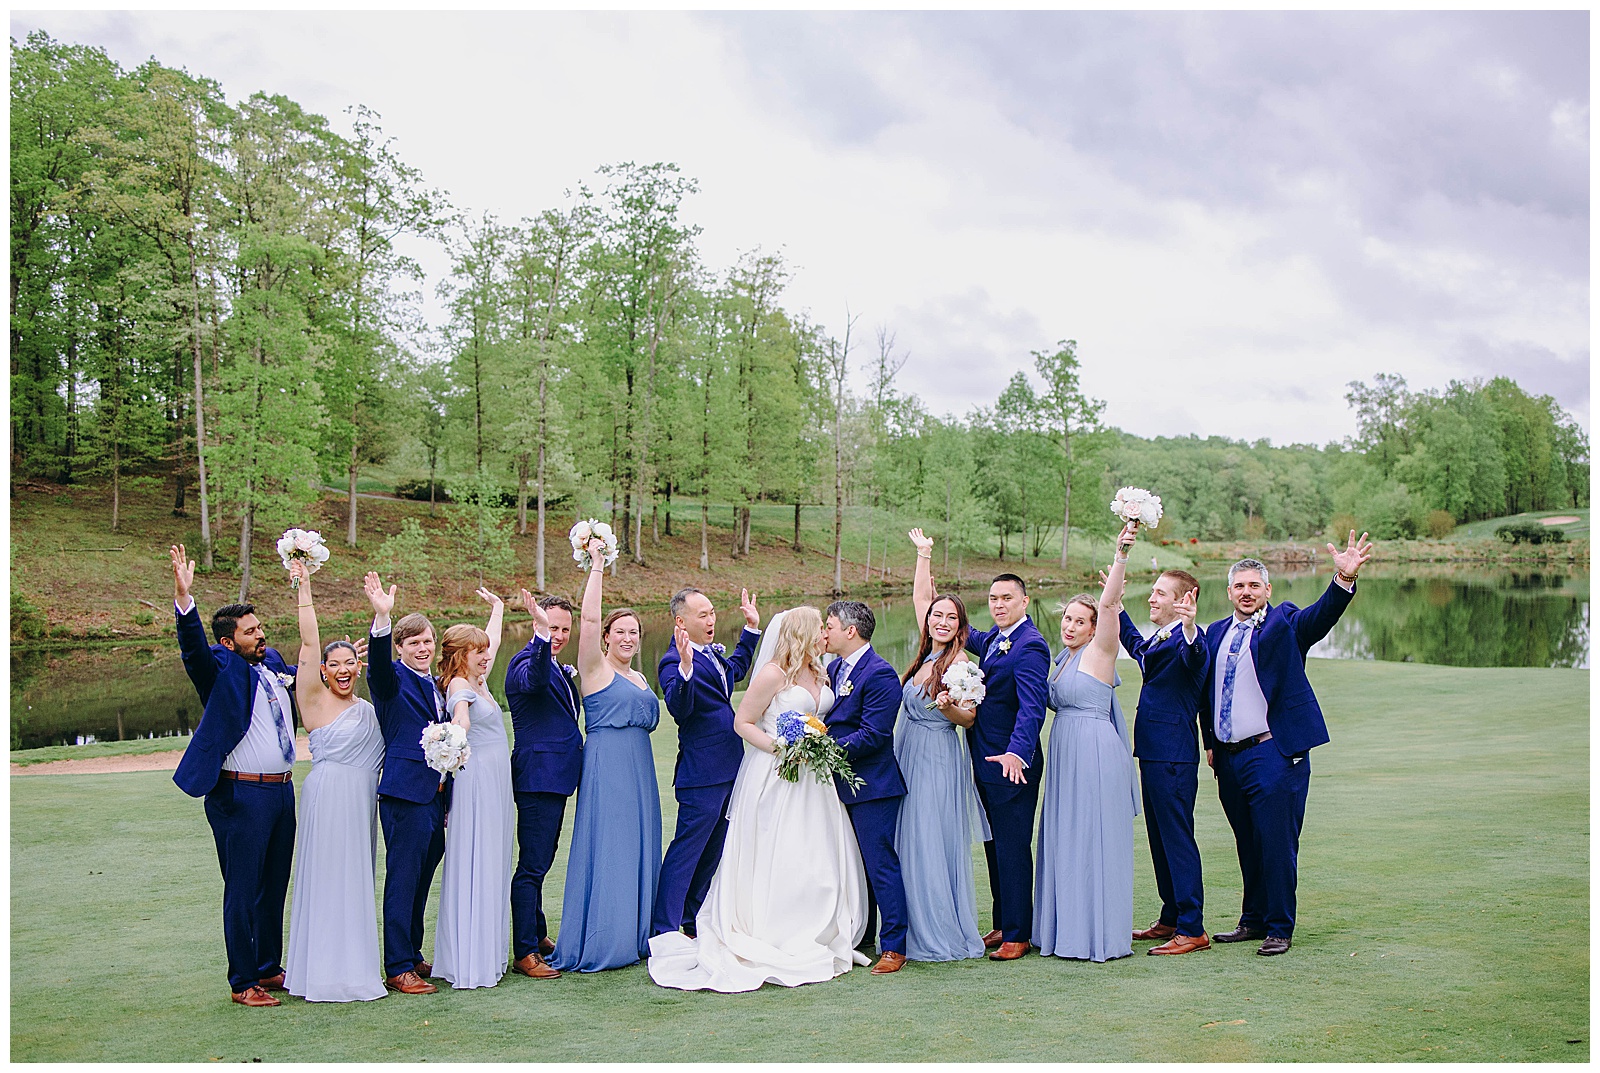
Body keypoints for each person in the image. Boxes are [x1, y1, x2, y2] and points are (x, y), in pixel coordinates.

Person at [647, 606, 869, 992]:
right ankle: (773, 927)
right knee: (777, 851)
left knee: (814, 852)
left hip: (814, 781)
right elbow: (743, 722)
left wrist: (816, 744)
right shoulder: (772, 674)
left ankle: (817, 925)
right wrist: (781, 748)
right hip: (778, 775)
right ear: (801, 632)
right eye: (819, 627)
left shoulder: (821, 669)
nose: (824, 633)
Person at [1201, 531, 1374, 956]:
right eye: (1239, 586)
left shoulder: (1284, 622)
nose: (1246, 592)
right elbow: (1207, 690)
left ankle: (1280, 926)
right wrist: (1210, 742)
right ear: (1228, 592)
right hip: (1228, 757)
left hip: (1273, 752)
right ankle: (1254, 919)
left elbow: (1320, 617)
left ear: (1267, 590)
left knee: (1276, 840)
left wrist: (1342, 580)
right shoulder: (1214, 632)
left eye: (1254, 586)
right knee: (1247, 840)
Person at [169, 544, 299, 1007]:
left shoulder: (276, 663)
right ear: (229, 641)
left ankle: (267, 966)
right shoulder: (221, 666)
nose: (260, 635)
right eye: (250, 631)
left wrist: (338, 663)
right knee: (243, 888)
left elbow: (308, 682)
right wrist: (186, 603)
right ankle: (242, 981)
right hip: (239, 794)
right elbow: (192, 653)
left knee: (275, 883)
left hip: (283, 793)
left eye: (260, 627)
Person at [550, 538, 662, 972]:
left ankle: (638, 934)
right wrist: (597, 566)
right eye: (621, 632)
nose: (629, 638)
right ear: (607, 638)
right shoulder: (596, 670)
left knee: (639, 842)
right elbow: (591, 617)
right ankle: (606, 939)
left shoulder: (638, 676)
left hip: (640, 769)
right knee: (612, 845)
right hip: (608, 766)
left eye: (634, 632)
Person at [1033, 522, 1140, 962]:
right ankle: (1063, 929)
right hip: (1065, 752)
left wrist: (1121, 555)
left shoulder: (1100, 652)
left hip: (1094, 750)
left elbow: (1111, 602)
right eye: (1068, 618)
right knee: (1064, 836)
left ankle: (1095, 934)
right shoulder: (1061, 659)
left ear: (1096, 627)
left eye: (1081, 620)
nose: (1071, 626)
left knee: (1092, 836)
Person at [282, 560, 385, 1002]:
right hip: (328, 797)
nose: (342, 670)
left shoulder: (369, 708)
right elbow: (308, 640)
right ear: (323, 669)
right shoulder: (313, 699)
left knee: (358, 878)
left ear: (358, 667)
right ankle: (320, 971)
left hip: (363, 799)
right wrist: (304, 588)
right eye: (334, 664)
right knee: (328, 878)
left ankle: (357, 964)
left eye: (350, 663)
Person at [896, 528, 989, 962]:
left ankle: (937, 931)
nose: (941, 621)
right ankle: (909, 922)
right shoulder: (926, 653)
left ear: (961, 625)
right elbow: (920, 600)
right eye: (938, 616)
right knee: (908, 839)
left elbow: (968, 719)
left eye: (951, 617)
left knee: (928, 840)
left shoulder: (961, 663)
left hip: (936, 755)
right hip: (908, 750)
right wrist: (923, 555)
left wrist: (948, 706)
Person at [651, 586, 762, 939]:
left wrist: (751, 630)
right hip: (701, 773)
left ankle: (692, 917)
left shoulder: (712, 654)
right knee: (687, 851)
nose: (712, 619)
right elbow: (679, 709)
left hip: (730, 766)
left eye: (712, 612)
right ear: (680, 621)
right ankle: (664, 927)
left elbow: (735, 673)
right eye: (703, 615)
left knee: (714, 848)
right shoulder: (673, 662)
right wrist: (685, 668)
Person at [363, 571, 448, 995]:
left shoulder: (436, 685)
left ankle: (412, 953)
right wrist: (382, 619)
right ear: (400, 647)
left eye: (427, 641)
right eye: (413, 642)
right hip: (403, 794)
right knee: (402, 879)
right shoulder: (391, 681)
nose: (422, 648)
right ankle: (397, 966)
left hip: (434, 797)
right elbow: (376, 670)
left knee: (421, 878)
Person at [1119, 565, 1210, 955]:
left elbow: (1194, 658)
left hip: (1173, 755)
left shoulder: (1189, 639)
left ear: (1182, 601)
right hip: (1154, 752)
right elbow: (1138, 651)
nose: (1152, 598)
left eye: (1160, 593)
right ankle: (1171, 915)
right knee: (1158, 837)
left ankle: (1193, 928)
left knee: (1176, 838)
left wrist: (1190, 628)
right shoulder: (1160, 638)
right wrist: (1116, 605)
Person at [964, 573, 1052, 961]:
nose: (998, 604)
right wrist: (924, 566)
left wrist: (1018, 752)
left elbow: (1033, 706)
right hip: (985, 761)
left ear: (1024, 602)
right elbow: (943, 621)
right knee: (993, 845)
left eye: (1006, 598)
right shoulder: (993, 641)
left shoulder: (1030, 645)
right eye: (993, 598)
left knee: (1013, 847)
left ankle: (1019, 933)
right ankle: (1003, 923)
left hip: (1012, 765)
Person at [821, 600, 910, 974]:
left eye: (829, 626)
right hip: (836, 784)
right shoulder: (833, 666)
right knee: (850, 865)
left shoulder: (881, 674)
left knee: (880, 864)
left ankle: (894, 946)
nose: (824, 632)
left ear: (850, 631)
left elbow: (874, 734)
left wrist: (824, 749)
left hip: (873, 784)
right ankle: (865, 934)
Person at [432, 590, 514, 990]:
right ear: (459, 656)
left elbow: (493, 644)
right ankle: (471, 958)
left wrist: (497, 610)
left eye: (484, 650)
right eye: (476, 651)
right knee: (478, 856)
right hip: (478, 781)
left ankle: (488, 950)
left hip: (496, 782)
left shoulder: (478, 678)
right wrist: (453, 738)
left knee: (495, 855)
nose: (485, 656)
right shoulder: (460, 686)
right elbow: (460, 720)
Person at [502, 592, 582, 980]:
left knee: (542, 860)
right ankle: (525, 952)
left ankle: (537, 931)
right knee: (531, 866)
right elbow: (533, 681)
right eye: (553, 626)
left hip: (556, 778)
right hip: (537, 777)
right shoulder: (525, 662)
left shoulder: (559, 666)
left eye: (565, 628)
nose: (559, 634)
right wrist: (539, 635)